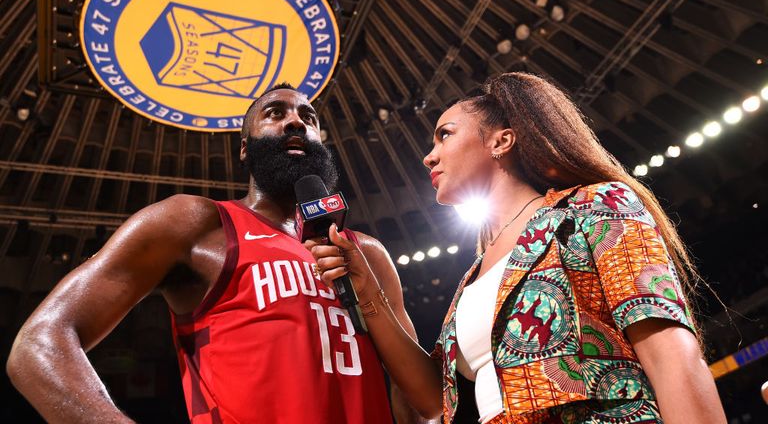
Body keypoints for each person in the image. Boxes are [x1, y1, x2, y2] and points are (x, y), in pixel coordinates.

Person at [307, 72, 727, 423]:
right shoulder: (472, 278)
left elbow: (670, 351)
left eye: (444, 136)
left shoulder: (592, 207)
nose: (428, 158)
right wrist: (367, 292)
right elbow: (434, 398)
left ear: (501, 141)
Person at [6, 83, 424, 423]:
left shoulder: (365, 253)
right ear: (245, 148)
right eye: (276, 114)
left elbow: (419, 401)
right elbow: (40, 343)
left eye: (309, 118)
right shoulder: (196, 224)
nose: (296, 121)